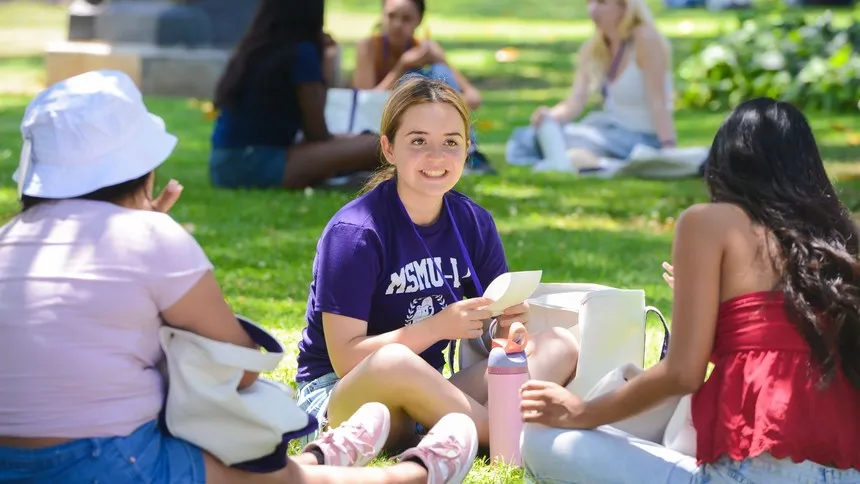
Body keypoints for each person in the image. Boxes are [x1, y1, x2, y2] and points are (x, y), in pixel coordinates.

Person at [0, 69, 479, 484]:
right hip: (116, 459)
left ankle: (326, 452)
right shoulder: (150, 238)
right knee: (269, 476)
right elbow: (240, 368)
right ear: (141, 170)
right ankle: (415, 473)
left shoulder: (8, 240)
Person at [518, 98, 860, 483]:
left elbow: (683, 374)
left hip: (749, 471)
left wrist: (579, 412)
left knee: (541, 440)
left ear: (723, 163)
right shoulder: (843, 239)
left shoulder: (710, 223)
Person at [294, 75, 580, 452]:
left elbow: (492, 338)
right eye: (418, 142)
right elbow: (347, 360)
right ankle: (504, 435)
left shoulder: (474, 222)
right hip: (340, 398)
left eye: (450, 143)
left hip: (428, 392)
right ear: (389, 148)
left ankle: (456, 430)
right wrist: (437, 327)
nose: (436, 157)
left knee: (559, 345)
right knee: (393, 362)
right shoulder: (356, 231)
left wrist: (505, 323)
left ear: (467, 149)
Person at [208, 0, 381, 190]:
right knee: (378, 145)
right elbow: (316, 133)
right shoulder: (302, 53)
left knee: (359, 141)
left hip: (224, 164)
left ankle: (339, 176)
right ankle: (342, 177)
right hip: (256, 163)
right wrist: (324, 68)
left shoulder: (256, 46)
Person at [509, 0, 677, 171]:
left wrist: (668, 148)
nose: (593, 9)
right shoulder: (595, 48)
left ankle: (565, 162)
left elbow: (659, 101)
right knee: (526, 136)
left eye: (602, 2)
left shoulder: (645, 38)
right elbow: (575, 102)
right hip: (610, 129)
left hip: (642, 139)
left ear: (624, 7)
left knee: (557, 139)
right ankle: (571, 161)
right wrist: (549, 116)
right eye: (589, 2)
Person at [351, 0, 495, 175]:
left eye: (406, 19)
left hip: (426, 117)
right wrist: (402, 67)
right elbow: (365, 102)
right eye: (391, 16)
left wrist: (437, 100)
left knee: (439, 71)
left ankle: (468, 154)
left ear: (418, 21)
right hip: (383, 124)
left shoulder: (426, 49)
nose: (397, 24)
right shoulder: (369, 48)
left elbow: (473, 98)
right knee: (411, 81)